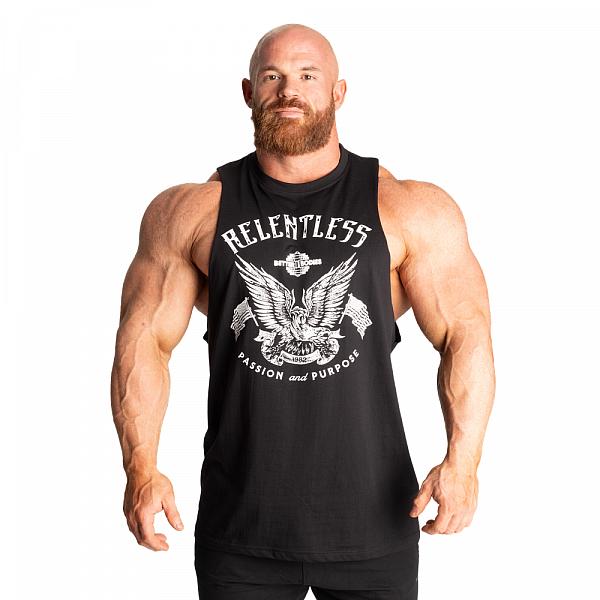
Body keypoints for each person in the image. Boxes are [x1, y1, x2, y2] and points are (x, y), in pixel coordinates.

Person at [111, 23, 495, 600]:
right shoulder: (190, 212)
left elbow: (466, 332)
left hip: (375, 525)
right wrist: (141, 468)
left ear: (338, 92)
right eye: (273, 76)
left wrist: (463, 462)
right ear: (249, 92)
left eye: (308, 75)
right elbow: (142, 341)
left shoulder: (407, 207)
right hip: (240, 531)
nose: (289, 90)